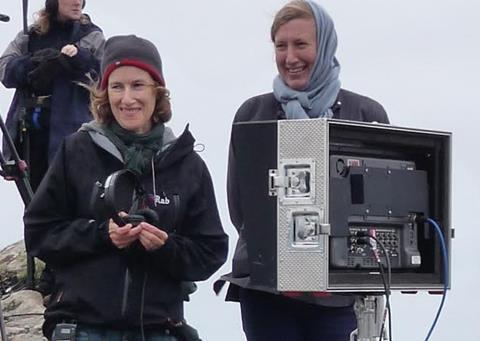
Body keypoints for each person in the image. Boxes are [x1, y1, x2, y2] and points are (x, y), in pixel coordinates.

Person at [24, 34, 228, 340]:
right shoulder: (76, 151)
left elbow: (210, 251)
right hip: (81, 328)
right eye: (116, 86)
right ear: (104, 94)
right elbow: (39, 233)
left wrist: (165, 247)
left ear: (158, 93)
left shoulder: (187, 164)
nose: (126, 98)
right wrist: (101, 234)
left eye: (137, 85)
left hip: (159, 330)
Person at [218, 1, 390, 340]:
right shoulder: (252, 113)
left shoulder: (366, 113)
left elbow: (381, 207)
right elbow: (242, 208)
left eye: (300, 44)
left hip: (340, 296)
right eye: (281, 46)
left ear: (324, 46)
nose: (290, 57)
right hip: (267, 292)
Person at [0, 0, 104, 191]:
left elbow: (104, 78)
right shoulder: (30, 36)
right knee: (33, 207)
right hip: (30, 137)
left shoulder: (91, 36)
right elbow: (5, 69)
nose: (77, 2)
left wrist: (78, 59)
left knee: (68, 202)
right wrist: (32, 63)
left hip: (72, 137)